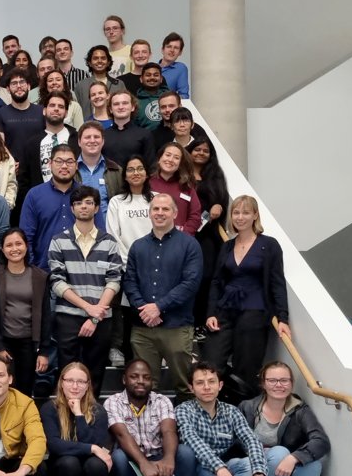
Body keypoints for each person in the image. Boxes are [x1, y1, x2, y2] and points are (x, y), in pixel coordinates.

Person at [176, 362, 278, 476]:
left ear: (220, 385)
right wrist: (219, 467)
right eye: (200, 383)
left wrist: (258, 473)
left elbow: (251, 440)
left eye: (211, 382)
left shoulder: (231, 412)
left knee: (248, 464)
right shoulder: (184, 410)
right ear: (191, 388)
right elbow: (192, 441)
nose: (206, 387)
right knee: (200, 463)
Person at [203, 195, 291, 398]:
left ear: (255, 215)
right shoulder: (226, 246)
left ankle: (241, 415)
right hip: (225, 310)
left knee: (246, 369)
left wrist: (283, 318)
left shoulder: (269, 245)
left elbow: (277, 283)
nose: (240, 217)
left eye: (245, 212)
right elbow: (216, 282)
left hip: (255, 312)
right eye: (236, 212)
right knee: (212, 364)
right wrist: (211, 313)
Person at [104, 359, 199, 476]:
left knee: (186, 453)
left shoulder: (161, 401)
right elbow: (122, 435)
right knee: (118, 457)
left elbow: (169, 431)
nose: (140, 381)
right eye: (134, 376)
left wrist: (169, 459)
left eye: (146, 377)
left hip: (160, 464)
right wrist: (143, 463)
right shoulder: (113, 402)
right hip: (131, 467)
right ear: (124, 379)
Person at [123, 193, 202, 401]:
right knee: (143, 388)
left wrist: (158, 307)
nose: (160, 213)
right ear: (149, 213)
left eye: (165, 209)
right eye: (156, 209)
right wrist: (145, 309)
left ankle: (184, 431)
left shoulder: (190, 245)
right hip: (143, 329)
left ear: (175, 213)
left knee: (184, 385)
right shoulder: (138, 246)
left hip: (177, 327)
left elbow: (191, 283)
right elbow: (129, 282)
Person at [239, 361, 330, 476]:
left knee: (312, 463)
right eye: (272, 380)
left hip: (282, 470)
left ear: (291, 383)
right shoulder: (248, 407)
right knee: (279, 451)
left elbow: (321, 441)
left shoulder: (299, 410)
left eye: (283, 380)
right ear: (263, 384)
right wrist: (263, 453)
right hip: (253, 467)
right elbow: (236, 440)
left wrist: (294, 457)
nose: (278, 385)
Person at [48, 186, 123, 396]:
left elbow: (115, 281)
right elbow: (57, 282)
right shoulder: (58, 241)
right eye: (79, 203)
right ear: (72, 208)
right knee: (67, 373)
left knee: (95, 374)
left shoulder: (109, 242)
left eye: (89, 202)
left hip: (101, 320)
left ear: (97, 208)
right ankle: (67, 421)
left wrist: (96, 316)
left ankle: (90, 421)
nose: (84, 206)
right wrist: (89, 308)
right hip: (68, 318)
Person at [39, 362, 112, 476]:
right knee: (69, 462)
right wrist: (92, 449)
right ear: (61, 383)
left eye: (80, 381)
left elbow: (95, 442)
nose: (75, 386)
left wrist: (79, 414)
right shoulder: (50, 409)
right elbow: (55, 445)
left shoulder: (98, 411)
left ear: (88, 385)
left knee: (96, 464)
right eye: (70, 380)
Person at [0, 229, 51, 398]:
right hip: (2, 343)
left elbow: (46, 315)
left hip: (29, 344)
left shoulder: (39, 277)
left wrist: (44, 351)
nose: (14, 249)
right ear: (2, 249)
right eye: (9, 245)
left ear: (26, 246)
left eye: (18, 244)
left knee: (24, 391)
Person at [20, 143, 105, 272]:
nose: (64, 166)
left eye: (70, 162)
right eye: (59, 161)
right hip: (44, 270)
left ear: (76, 165)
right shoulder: (34, 195)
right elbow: (26, 237)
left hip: (83, 272)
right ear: (50, 164)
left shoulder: (89, 195)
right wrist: (32, 269)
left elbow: (100, 234)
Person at [106, 154, 155, 365]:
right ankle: (125, 351)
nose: (136, 173)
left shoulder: (156, 199)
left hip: (155, 266)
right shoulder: (117, 202)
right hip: (127, 266)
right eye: (131, 169)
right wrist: (130, 264)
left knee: (152, 309)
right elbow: (113, 235)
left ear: (146, 173)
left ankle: (154, 352)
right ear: (124, 175)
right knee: (127, 313)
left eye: (140, 168)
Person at [188, 135, 229, 328]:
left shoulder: (215, 174)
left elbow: (221, 199)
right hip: (186, 233)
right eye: (197, 149)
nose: (201, 153)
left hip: (208, 236)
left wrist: (218, 206)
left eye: (206, 150)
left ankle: (203, 322)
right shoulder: (182, 173)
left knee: (206, 277)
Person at [17, 91, 78, 207]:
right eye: (52, 105)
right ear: (44, 111)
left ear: (66, 113)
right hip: (42, 203)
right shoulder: (32, 143)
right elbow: (24, 179)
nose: (56, 109)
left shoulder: (77, 139)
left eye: (61, 107)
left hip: (73, 200)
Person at [149, 142, 202, 235]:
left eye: (176, 158)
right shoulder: (147, 183)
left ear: (180, 164)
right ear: (159, 158)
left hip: (179, 242)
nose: (170, 160)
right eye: (168, 155)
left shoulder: (187, 187)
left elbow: (195, 216)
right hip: (150, 240)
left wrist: (182, 237)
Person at [0, 68, 46, 159]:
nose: (19, 86)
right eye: (14, 83)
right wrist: (10, 162)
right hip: (12, 167)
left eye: (22, 82)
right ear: (8, 89)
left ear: (29, 86)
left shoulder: (42, 112)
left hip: (38, 167)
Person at [75, 121, 123, 217]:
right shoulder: (71, 170)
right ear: (79, 142)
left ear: (103, 141)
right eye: (87, 137)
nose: (92, 141)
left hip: (108, 230)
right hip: (78, 229)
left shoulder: (116, 171)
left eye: (96, 137)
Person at [100, 90, 154, 168]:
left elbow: (150, 165)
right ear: (110, 109)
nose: (121, 107)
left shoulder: (145, 135)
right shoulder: (102, 135)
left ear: (132, 107)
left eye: (125, 103)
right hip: (108, 179)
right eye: (116, 104)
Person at [75, 45, 125, 118]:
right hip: (89, 127)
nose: (99, 61)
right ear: (89, 63)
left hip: (115, 126)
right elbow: (77, 112)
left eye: (103, 58)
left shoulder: (118, 84)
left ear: (108, 62)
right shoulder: (81, 85)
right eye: (95, 58)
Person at [132, 63, 168, 132]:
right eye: (148, 75)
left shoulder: (170, 99)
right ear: (141, 79)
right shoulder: (135, 102)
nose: (152, 78)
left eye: (156, 75)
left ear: (161, 79)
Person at [159, 32, 190, 99]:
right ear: (162, 50)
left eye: (176, 48)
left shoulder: (180, 68)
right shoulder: (152, 68)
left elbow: (184, 96)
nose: (172, 50)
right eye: (169, 46)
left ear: (180, 52)